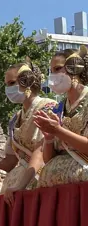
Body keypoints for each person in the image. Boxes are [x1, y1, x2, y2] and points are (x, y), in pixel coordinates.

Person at [0, 61, 57, 204]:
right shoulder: (14, 119)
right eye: (7, 84)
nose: (8, 88)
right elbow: (10, 161)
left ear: (27, 81)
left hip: (38, 177)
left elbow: (41, 148)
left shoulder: (48, 107)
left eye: (12, 83)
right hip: (16, 182)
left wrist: (20, 184)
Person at [36, 47, 88, 187]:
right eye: (51, 71)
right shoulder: (58, 108)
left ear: (74, 68)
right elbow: (48, 159)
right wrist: (48, 139)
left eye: (58, 69)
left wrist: (59, 131)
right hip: (57, 184)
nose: (53, 75)